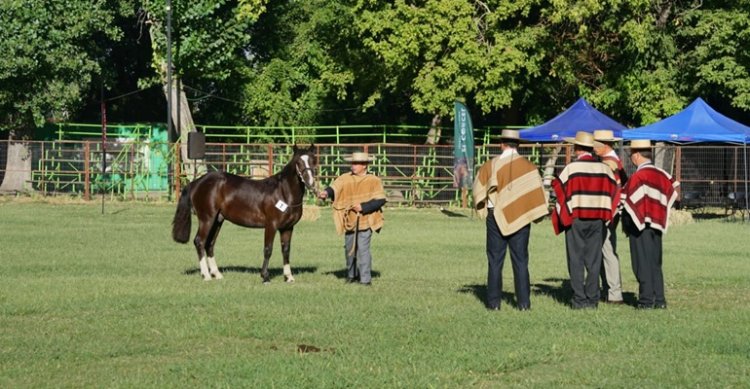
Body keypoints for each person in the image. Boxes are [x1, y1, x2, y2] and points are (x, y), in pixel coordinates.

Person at [473, 129, 548, 311]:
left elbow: (478, 190)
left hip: (494, 218)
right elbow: (538, 194)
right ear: (519, 145)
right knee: (521, 260)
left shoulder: (490, 165)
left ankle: (493, 304)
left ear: (501, 143)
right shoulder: (530, 167)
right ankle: (523, 304)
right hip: (522, 219)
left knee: (495, 260)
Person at [551, 131, 620, 309]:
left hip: (576, 219)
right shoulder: (604, 169)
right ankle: (592, 299)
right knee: (594, 259)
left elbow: (558, 190)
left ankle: (579, 299)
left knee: (576, 259)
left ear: (576, 148)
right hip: (597, 220)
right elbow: (615, 192)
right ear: (591, 148)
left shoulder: (571, 169)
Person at [620, 140, 680, 309]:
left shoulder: (638, 176)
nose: (631, 157)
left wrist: (626, 222)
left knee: (641, 263)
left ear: (637, 155)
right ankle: (659, 300)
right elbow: (675, 189)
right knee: (655, 261)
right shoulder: (662, 174)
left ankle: (646, 300)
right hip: (658, 223)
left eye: (632, 154)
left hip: (639, 225)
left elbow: (626, 200)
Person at [318, 151, 386, 285]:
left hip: (366, 219)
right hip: (349, 219)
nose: (353, 166)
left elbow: (381, 199)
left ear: (365, 165)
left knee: (363, 249)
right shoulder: (345, 178)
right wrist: (326, 192)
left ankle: (365, 280)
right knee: (350, 248)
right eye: (352, 163)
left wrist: (363, 206)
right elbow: (334, 188)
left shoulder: (374, 180)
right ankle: (352, 275)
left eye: (356, 163)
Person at [593, 129, 627, 304]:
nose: (593, 147)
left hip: (606, 213)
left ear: (605, 145)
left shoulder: (608, 163)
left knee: (607, 251)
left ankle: (614, 292)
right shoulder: (615, 161)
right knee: (605, 250)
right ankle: (609, 290)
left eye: (596, 144)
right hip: (612, 213)